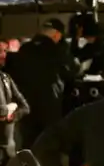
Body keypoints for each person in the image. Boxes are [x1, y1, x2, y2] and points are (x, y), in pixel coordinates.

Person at [5, 18, 78, 152]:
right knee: (49, 147)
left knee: (28, 145)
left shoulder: (24, 49)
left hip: (27, 105)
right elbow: (70, 74)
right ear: (57, 35)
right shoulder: (57, 50)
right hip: (49, 105)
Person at [0, 40, 30, 166]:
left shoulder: (6, 78)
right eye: (0, 51)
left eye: (5, 51)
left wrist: (11, 115)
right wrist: (9, 108)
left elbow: (25, 107)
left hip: (9, 149)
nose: (3, 55)